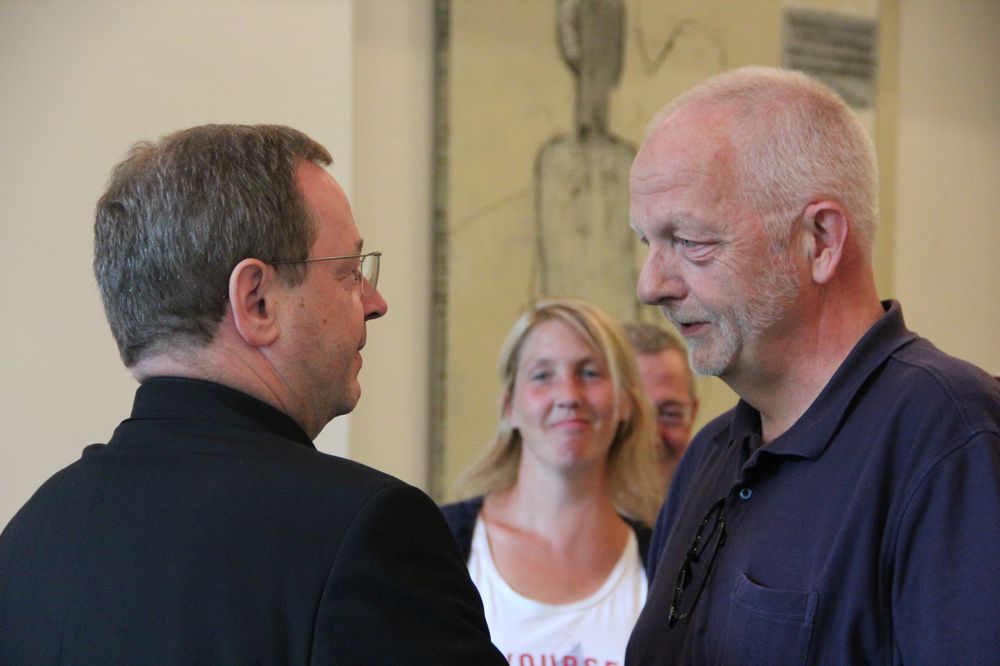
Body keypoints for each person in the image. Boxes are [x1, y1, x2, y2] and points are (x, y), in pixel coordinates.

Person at [0, 124, 506, 664]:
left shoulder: (33, 535)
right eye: (349, 273)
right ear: (257, 301)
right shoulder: (364, 535)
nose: (375, 302)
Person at [624, 67, 1000, 664]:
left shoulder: (949, 440)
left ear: (820, 240)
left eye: (691, 241)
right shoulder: (710, 454)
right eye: (648, 243)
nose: (651, 286)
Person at [441, 298, 663, 666]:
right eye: (543, 375)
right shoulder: (442, 543)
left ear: (625, 403)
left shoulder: (665, 562)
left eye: (590, 373)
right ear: (510, 405)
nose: (569, 396)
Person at [623, 322, 700, 482]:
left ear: (692, 414)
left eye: (669, 414)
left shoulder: (720, 502)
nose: (651, 436)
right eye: (634, 413)